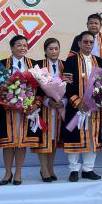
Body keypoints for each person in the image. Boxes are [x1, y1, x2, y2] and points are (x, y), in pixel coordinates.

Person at [0, 35, 42, 185]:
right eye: (19, 45)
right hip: (7, 110)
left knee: (22, 142)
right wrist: (6, 100)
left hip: (26, 111)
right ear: (12, 47)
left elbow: (41, 88)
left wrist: (35, 104)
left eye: (25, 45)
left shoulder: (34, 65)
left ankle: (18, 173)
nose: (22, 48)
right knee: (8, 143)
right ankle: (7, 173)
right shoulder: (1, 65)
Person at [62, 31, 102, 182]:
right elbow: (66, 85)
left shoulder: (99, 61)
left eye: (91, 42)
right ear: (79, 43)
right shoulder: (70, 61)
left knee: (92, 138)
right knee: (74, 137)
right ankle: (74, 169)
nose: (88, 44)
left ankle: (88, 169)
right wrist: (78, 102)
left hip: (93, 109)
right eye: (85, 42)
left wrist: (100, 100)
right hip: (76, 108)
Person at [32, 38, 68, 182]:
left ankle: (51, 167)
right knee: (44, 139)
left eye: (56, 48)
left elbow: (70, 87)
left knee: (54, 139)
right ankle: (44, 169)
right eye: (51, 49)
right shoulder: (38, 67)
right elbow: (34, 88)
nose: (54, 51)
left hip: (60, 108)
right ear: (45, 51)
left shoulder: (65, 66)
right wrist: (47, 101)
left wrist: (63, 101)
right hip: (44, 108)